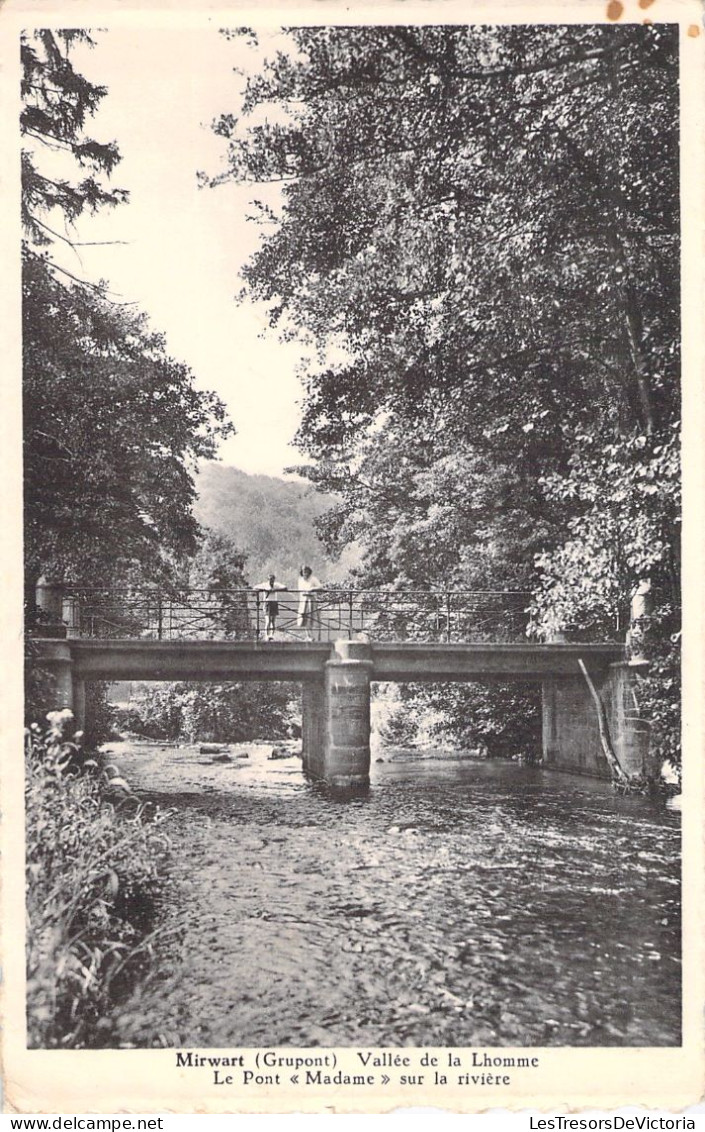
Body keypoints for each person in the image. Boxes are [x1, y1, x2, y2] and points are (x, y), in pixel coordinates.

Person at [253, 574, 288, 641]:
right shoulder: (265, 585)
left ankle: (272, 635)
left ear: (274, 580)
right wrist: (265, 590)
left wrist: (275, 590)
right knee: (268, 620)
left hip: (274, 602)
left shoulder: (276, 585)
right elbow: (255, 587)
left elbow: (285, 588)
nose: (271, 581)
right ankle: (267, 635)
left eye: (272, 579)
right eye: (270, 579)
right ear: (268, 579)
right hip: (267, 603)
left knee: (273, 621)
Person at [297, 566, 322, 641]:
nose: (305, 573)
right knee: (304, 618)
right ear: (302, 572)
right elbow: (300, 590)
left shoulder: (313, 579)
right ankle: (308, 635)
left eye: (307, 571)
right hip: (303, 599)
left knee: (311, 618)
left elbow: (320, 587)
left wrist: (313, 589)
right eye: (304, 571)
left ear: (309, 572)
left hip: (311, 599)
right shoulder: (300, 580)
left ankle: (312, 636)